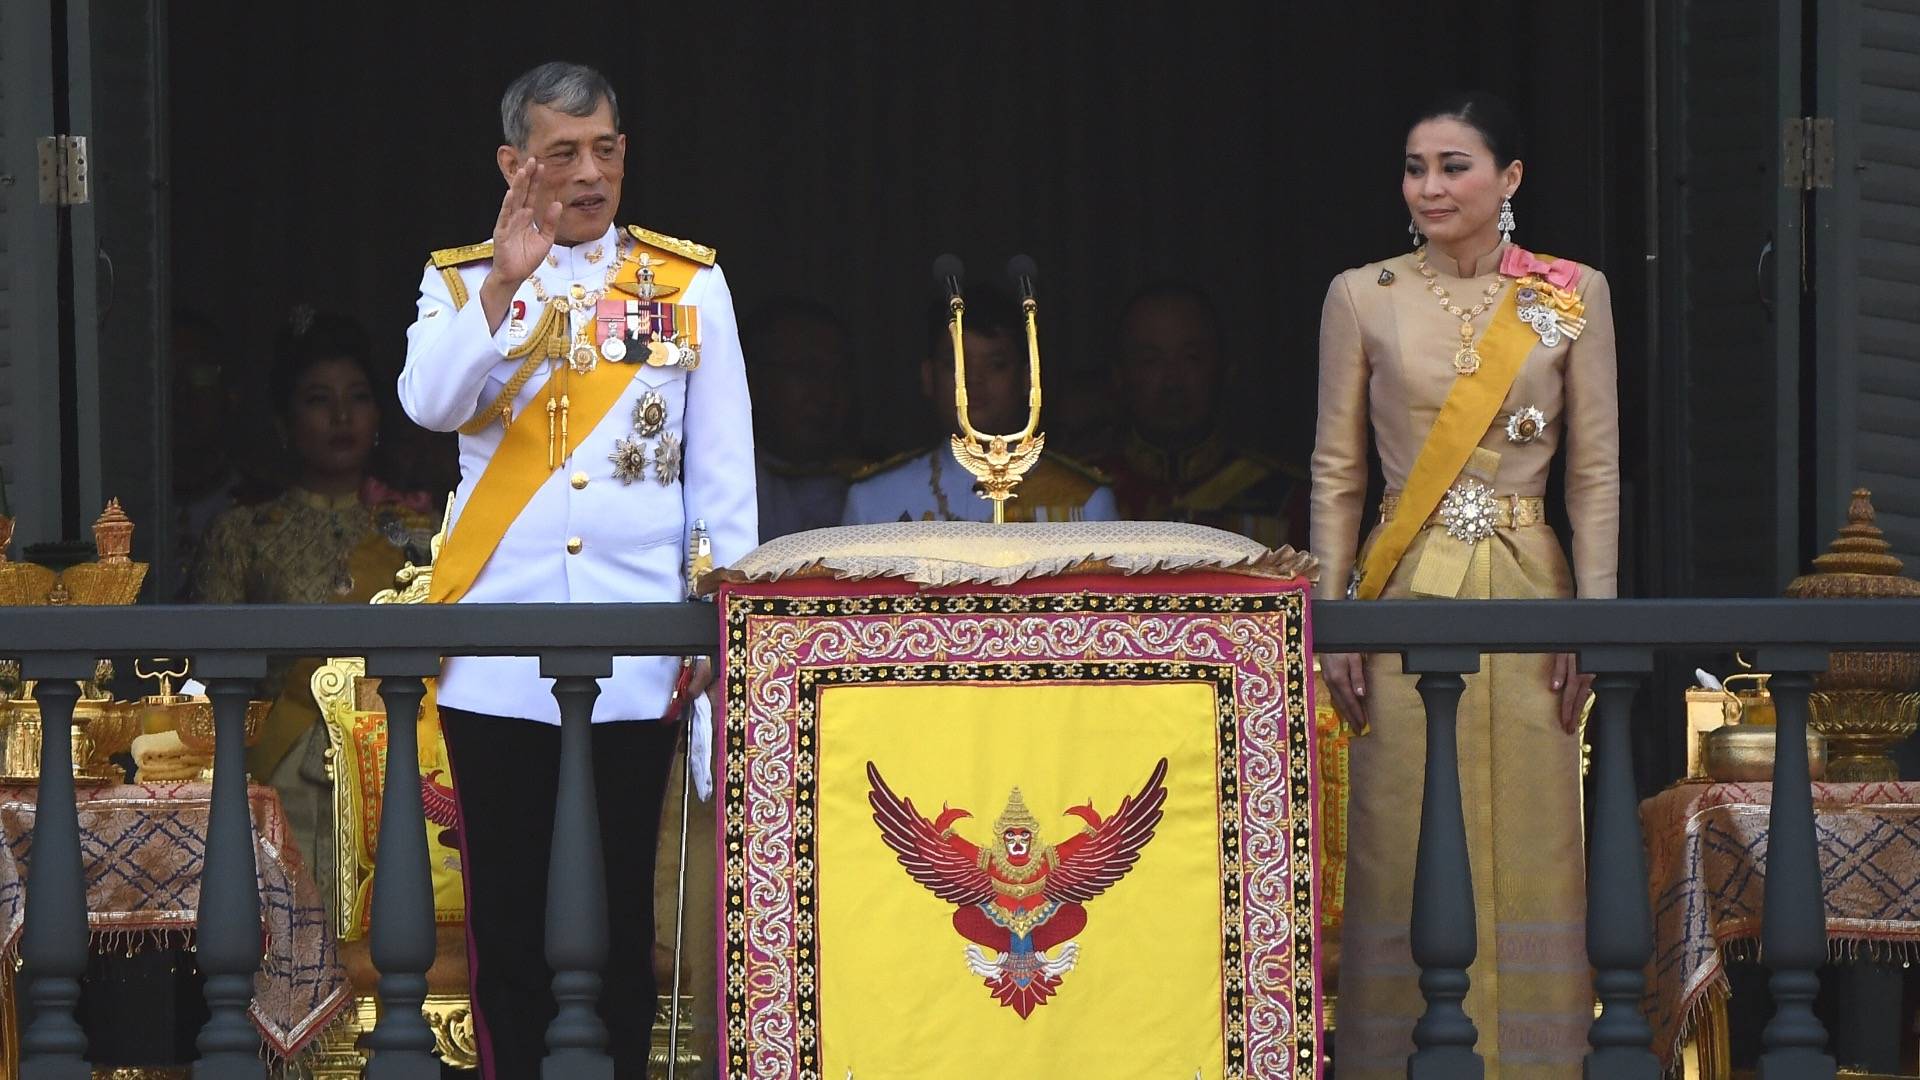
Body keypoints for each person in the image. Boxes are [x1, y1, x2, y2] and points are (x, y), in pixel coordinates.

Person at [397, 61, 755, 1079]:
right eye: (563, 154)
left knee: (618, 928)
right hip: (496, 659)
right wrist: (504, 284)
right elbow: (428, 403)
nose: (590, 173)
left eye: (605, 150)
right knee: (509, 926)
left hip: (636, 659)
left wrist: (715, 625)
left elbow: (722, 483)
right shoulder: (462, 282)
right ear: (515, 164)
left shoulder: (690, 287)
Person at [1312, 91, 1617, 1078]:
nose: (1429, 187)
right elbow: (1337, 474)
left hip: (1532, 590)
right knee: (1400, 830)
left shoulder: (1572, 292)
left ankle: (1540, 1061)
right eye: (1415, 167)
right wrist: (1334, 620)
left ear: (1510, 178)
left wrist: (1597, 619)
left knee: (1535, 838)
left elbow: (1595, 473)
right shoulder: (1363, 295)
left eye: (1454, 166)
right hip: (1403, 591)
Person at [191, 306, 440, 917]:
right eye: (318, 400)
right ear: (284, 421)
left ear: (379, 416)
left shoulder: (421, 532)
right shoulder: (243, 533)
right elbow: (206, 675)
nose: (341, 416)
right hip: (276, 769)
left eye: (358, 398)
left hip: (397, 763)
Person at [841, 282, 1116, 524]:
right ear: (928, 377)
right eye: (956, 365)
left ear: (1027, 379)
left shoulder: (1085, 499)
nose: (973, 379)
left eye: (996, 365)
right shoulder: (874, 499)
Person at [1098, 282, 1308, 549]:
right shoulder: (1081, 492)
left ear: (1225, 370)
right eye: (1150, 361)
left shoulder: (1285, 497)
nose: (1172, 382)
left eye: (1192, 358)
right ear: (1119, 376)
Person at [742, 297, 866, 538]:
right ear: (753, 381)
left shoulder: (877, 483)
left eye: (838, 375)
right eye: (807, 372)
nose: (825, 394)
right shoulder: (723, 482)